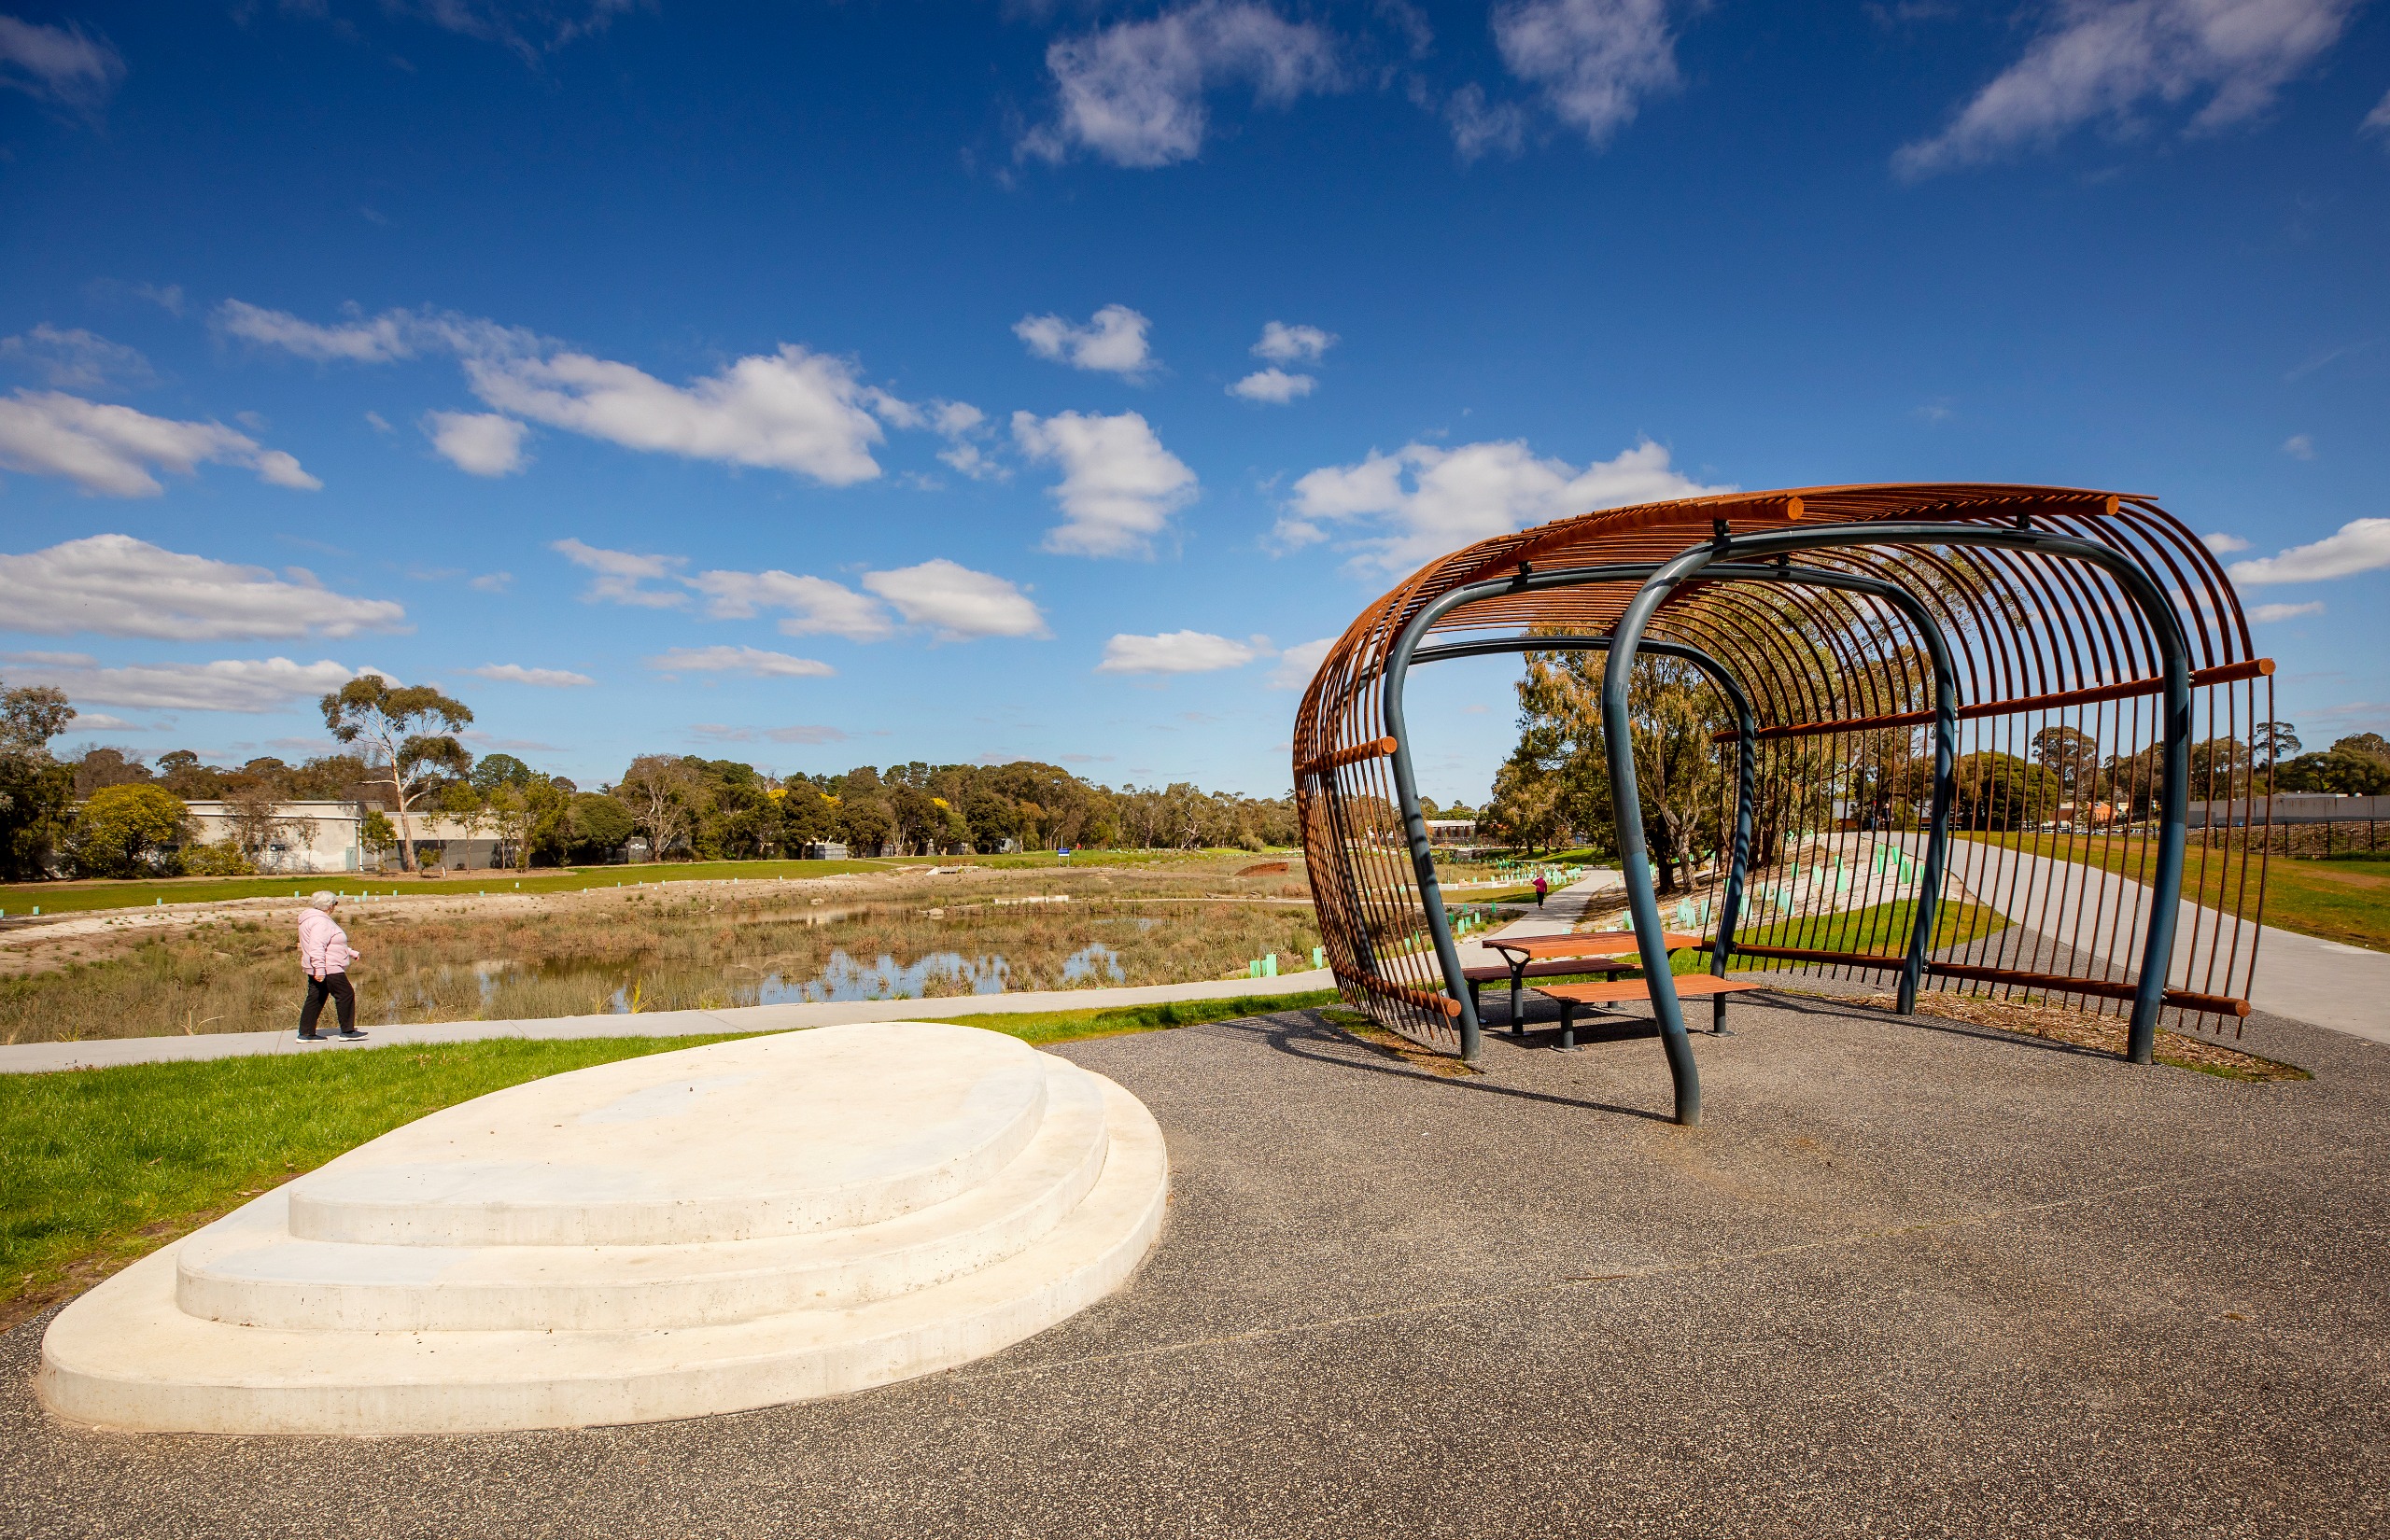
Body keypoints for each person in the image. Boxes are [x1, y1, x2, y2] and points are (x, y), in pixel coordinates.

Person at [297, 892, 368, 1042]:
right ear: (330, 906)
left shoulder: (310, 920)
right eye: (335, 904)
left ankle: (306, 1033)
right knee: (345, 994)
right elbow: (317, 946)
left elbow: (332, 944)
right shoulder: (321, 922)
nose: (335, 907)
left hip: (320, 966)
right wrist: (320, 970)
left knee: (316, 997)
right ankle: (347, 1032)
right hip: (328, 967)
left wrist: (351, 953)